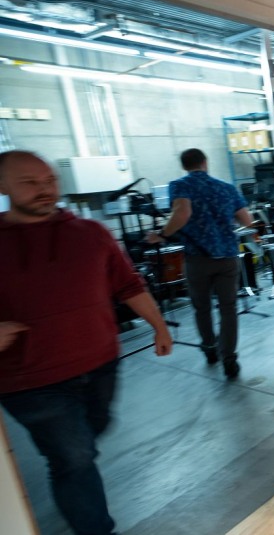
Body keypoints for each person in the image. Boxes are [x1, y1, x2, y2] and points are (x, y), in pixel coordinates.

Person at [0, 150, 173, 535]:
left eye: (49, 181)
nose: (44, 190)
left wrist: (160, 327)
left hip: (101, 364)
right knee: (74, 457)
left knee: (88, 438)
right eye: (29, 182)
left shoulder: (92, 234)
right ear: (3, 186)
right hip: (31, 381)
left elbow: (128, 285)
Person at [146, 148, 255, 379]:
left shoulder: (179, 185)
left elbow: (182, 213)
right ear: (205, 162)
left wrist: (163, 234)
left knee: (202, 307)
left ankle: (210, 349)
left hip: (198, 258)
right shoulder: (226, 188)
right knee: (228, 309)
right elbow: (247, 221)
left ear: (184, 166)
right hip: (227, 257)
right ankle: (230, 359)